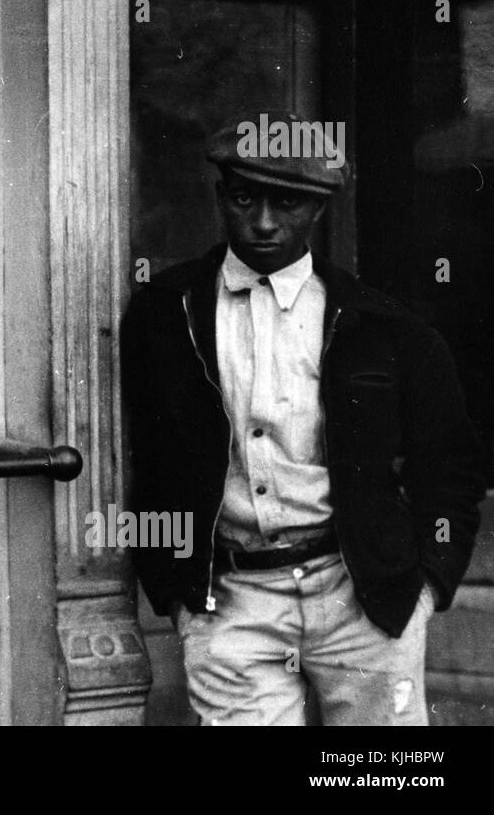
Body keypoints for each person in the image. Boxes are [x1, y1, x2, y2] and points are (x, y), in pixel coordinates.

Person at [122, 110, 488, 726]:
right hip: (231, 602)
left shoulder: (382, 325)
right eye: (244, 198)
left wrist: (426, 589)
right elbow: (145, 457)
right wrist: (178, 595)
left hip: (363, 597)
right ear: (220, 197)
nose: (264, 222)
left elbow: (450, 465)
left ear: (319, 210)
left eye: (287, 203)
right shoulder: (165, 312)